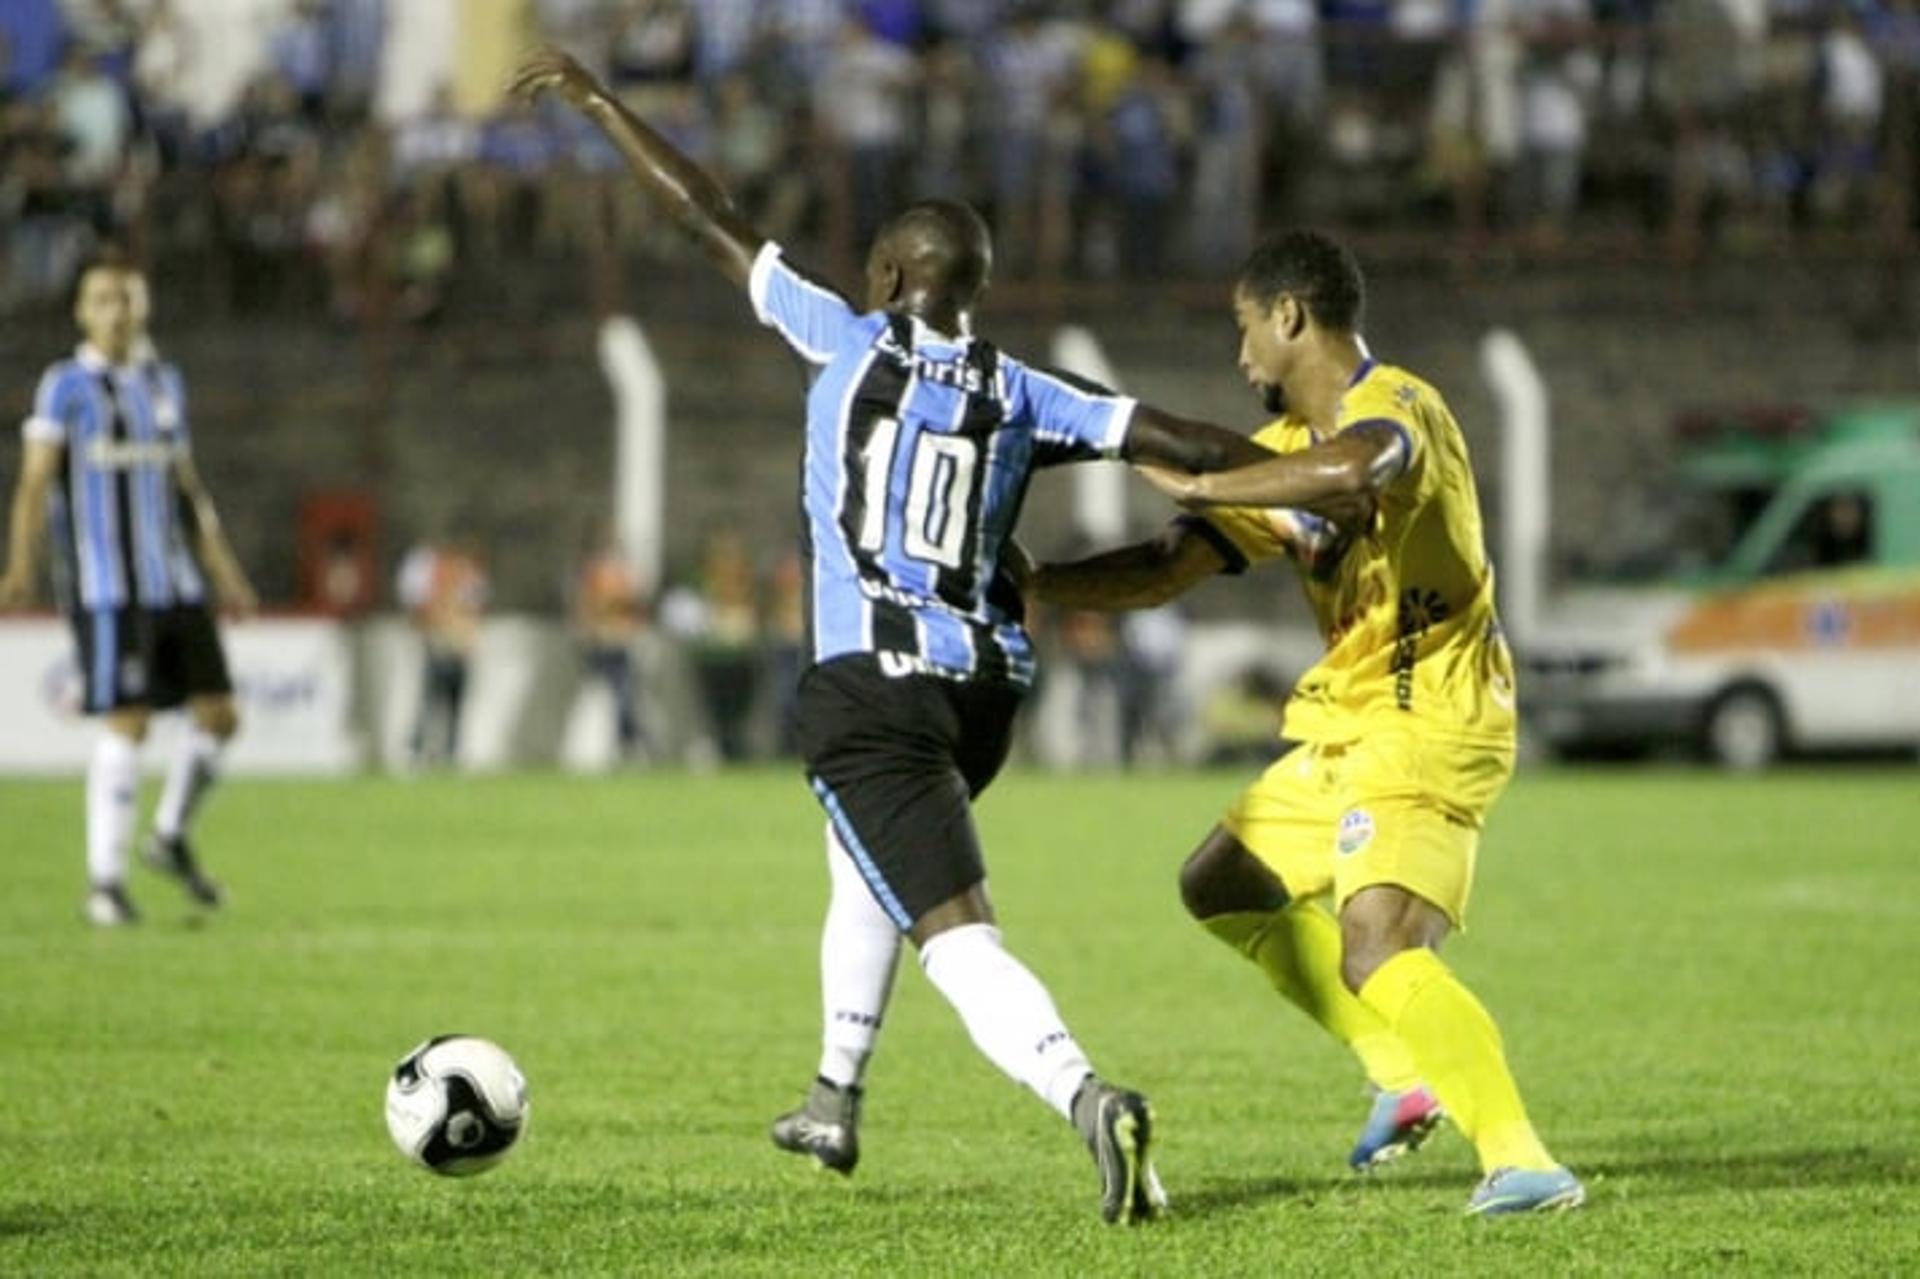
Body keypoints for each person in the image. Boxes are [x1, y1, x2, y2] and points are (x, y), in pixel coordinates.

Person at [513, 47, 1271, 1224]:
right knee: (862, 853)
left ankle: (1088, 1096)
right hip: (981, 698)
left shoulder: (844, 338)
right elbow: (1187, 441)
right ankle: (834, 1095)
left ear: (882, 274)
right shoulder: (1027, 388)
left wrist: (605, 105)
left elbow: (708, 216)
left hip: (868, 682)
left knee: (954, 934)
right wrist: (1319, 486)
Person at [1023, 230, 1585, 1216]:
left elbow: (1359, 472)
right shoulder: (1282, 456)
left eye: (1246, 329)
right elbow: (1168, 564)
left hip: (1435, 719)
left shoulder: (1398, 406)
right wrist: (1041, 583)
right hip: (1354, 725)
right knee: (1222, 879)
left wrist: (1203, 478)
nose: (1242, 357)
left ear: (1290, 316)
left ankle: (1522, 1159)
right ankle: (1398, 1071)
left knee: (1379, 943)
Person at [0, 255, 258, 926]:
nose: (117, 310)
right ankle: (105, 881)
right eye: (103, 299)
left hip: (174, 580)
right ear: (83, 312)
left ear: (143, 308)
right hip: (107, 584)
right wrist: (20, 566)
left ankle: (169, 836)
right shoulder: (65, 387)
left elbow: (186, 485)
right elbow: (34, 482)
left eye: (127, 298)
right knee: (130, 717)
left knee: (220, 714)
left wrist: (223, 567)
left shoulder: (162, 383)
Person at [396, 535, 487, 769]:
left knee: (455, 703)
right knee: (430, 700)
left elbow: (473, 614)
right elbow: (422, 612)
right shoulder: (435, 582)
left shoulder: (468, 580)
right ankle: (417, 750)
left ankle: (451, 752)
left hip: (459, 648)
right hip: (439, 644)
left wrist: (469, 640)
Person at [572, 520, 652, 762]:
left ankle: (628, 744)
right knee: (597, 701)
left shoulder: (625, 575)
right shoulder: (593, 573)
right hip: (599, 644)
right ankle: (608, 746)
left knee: (624, 697)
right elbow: (586, 607)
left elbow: (635, 609)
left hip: (619, 645)